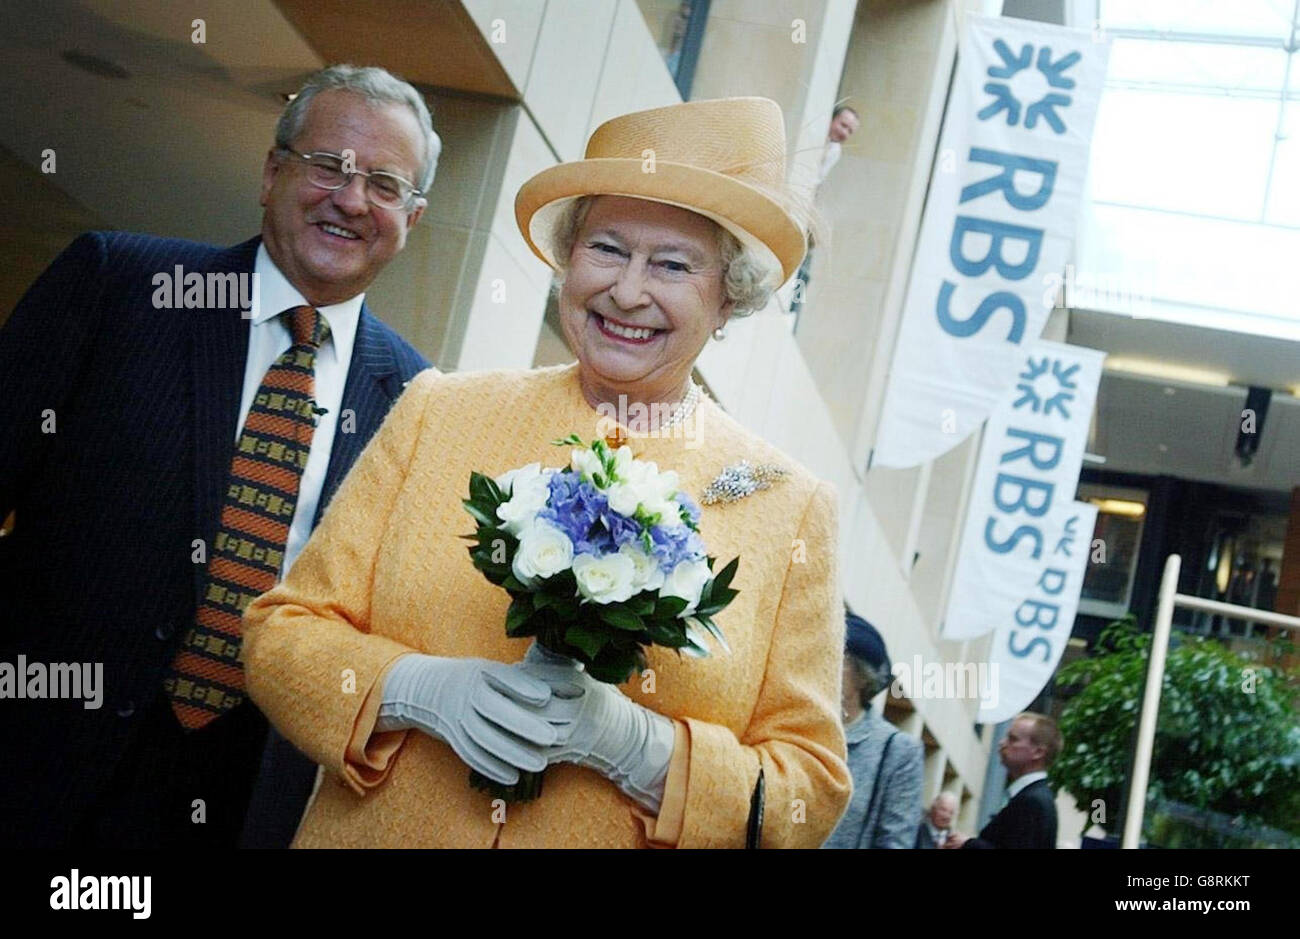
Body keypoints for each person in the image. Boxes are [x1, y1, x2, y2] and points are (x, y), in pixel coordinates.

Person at [241, 96, 852, 848]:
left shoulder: (787, 505)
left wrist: (644, 751)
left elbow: (808, 790)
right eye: (606, 248)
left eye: (672, 264)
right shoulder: (439, 410)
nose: (628, 291)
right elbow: (282, 635)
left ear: (730, 296)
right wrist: (413, 691)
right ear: (568, 259)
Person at [0, 64, 437, 848]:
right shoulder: (120, 285)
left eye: (382, 182)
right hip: (28, 758)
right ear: (273, 172)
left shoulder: (419, 402)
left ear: (412, 217)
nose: (349, 198)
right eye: (328, 165)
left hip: (233, 805)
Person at [822, 609, 923, 848]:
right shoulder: (796, 724)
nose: (825, 665)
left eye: (838, 658)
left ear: (862, 676)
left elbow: (895, 840)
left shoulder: (897, 750)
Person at [944, 712, 1061, 850]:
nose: (1002, 743)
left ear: (1038, 752)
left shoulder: (1033, 801)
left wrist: (968, 844)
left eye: (1012, 739)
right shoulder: (1034, 797)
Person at [790, 104, 859, 319]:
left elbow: (817, 180)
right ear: (832, 119)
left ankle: (794, 305)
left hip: (806, 204)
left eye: (850, 131)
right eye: (843, 125)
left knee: (804, 265)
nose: (844, 133)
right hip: (796, 197)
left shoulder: (834, 151)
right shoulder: (814, 137)